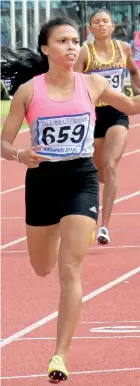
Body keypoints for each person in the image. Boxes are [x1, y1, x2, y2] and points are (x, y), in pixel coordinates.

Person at [1, 16, 140, 384]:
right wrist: (19, 156)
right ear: (45, 48)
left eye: (75, 40)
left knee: (70, 270)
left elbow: (129, 107)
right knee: (42, 267)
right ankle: (60, 231)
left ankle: (59, 354)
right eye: (63, 41)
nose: (72, 46)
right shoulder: (28, 92)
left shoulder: (91, 83)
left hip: (81, 179)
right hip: (42, 182)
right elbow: (4, 140)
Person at [74, 8, 140, 244]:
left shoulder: (123, 49)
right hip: (93, 115)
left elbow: (133, 70)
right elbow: (73, 83)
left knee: (111, 166)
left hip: (117, 111)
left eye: (105, 21)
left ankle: (104, 226)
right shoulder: (84, 53)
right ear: (90, 29)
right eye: (96, 22)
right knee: (99, 173)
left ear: (113, 27)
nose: (101, 25)